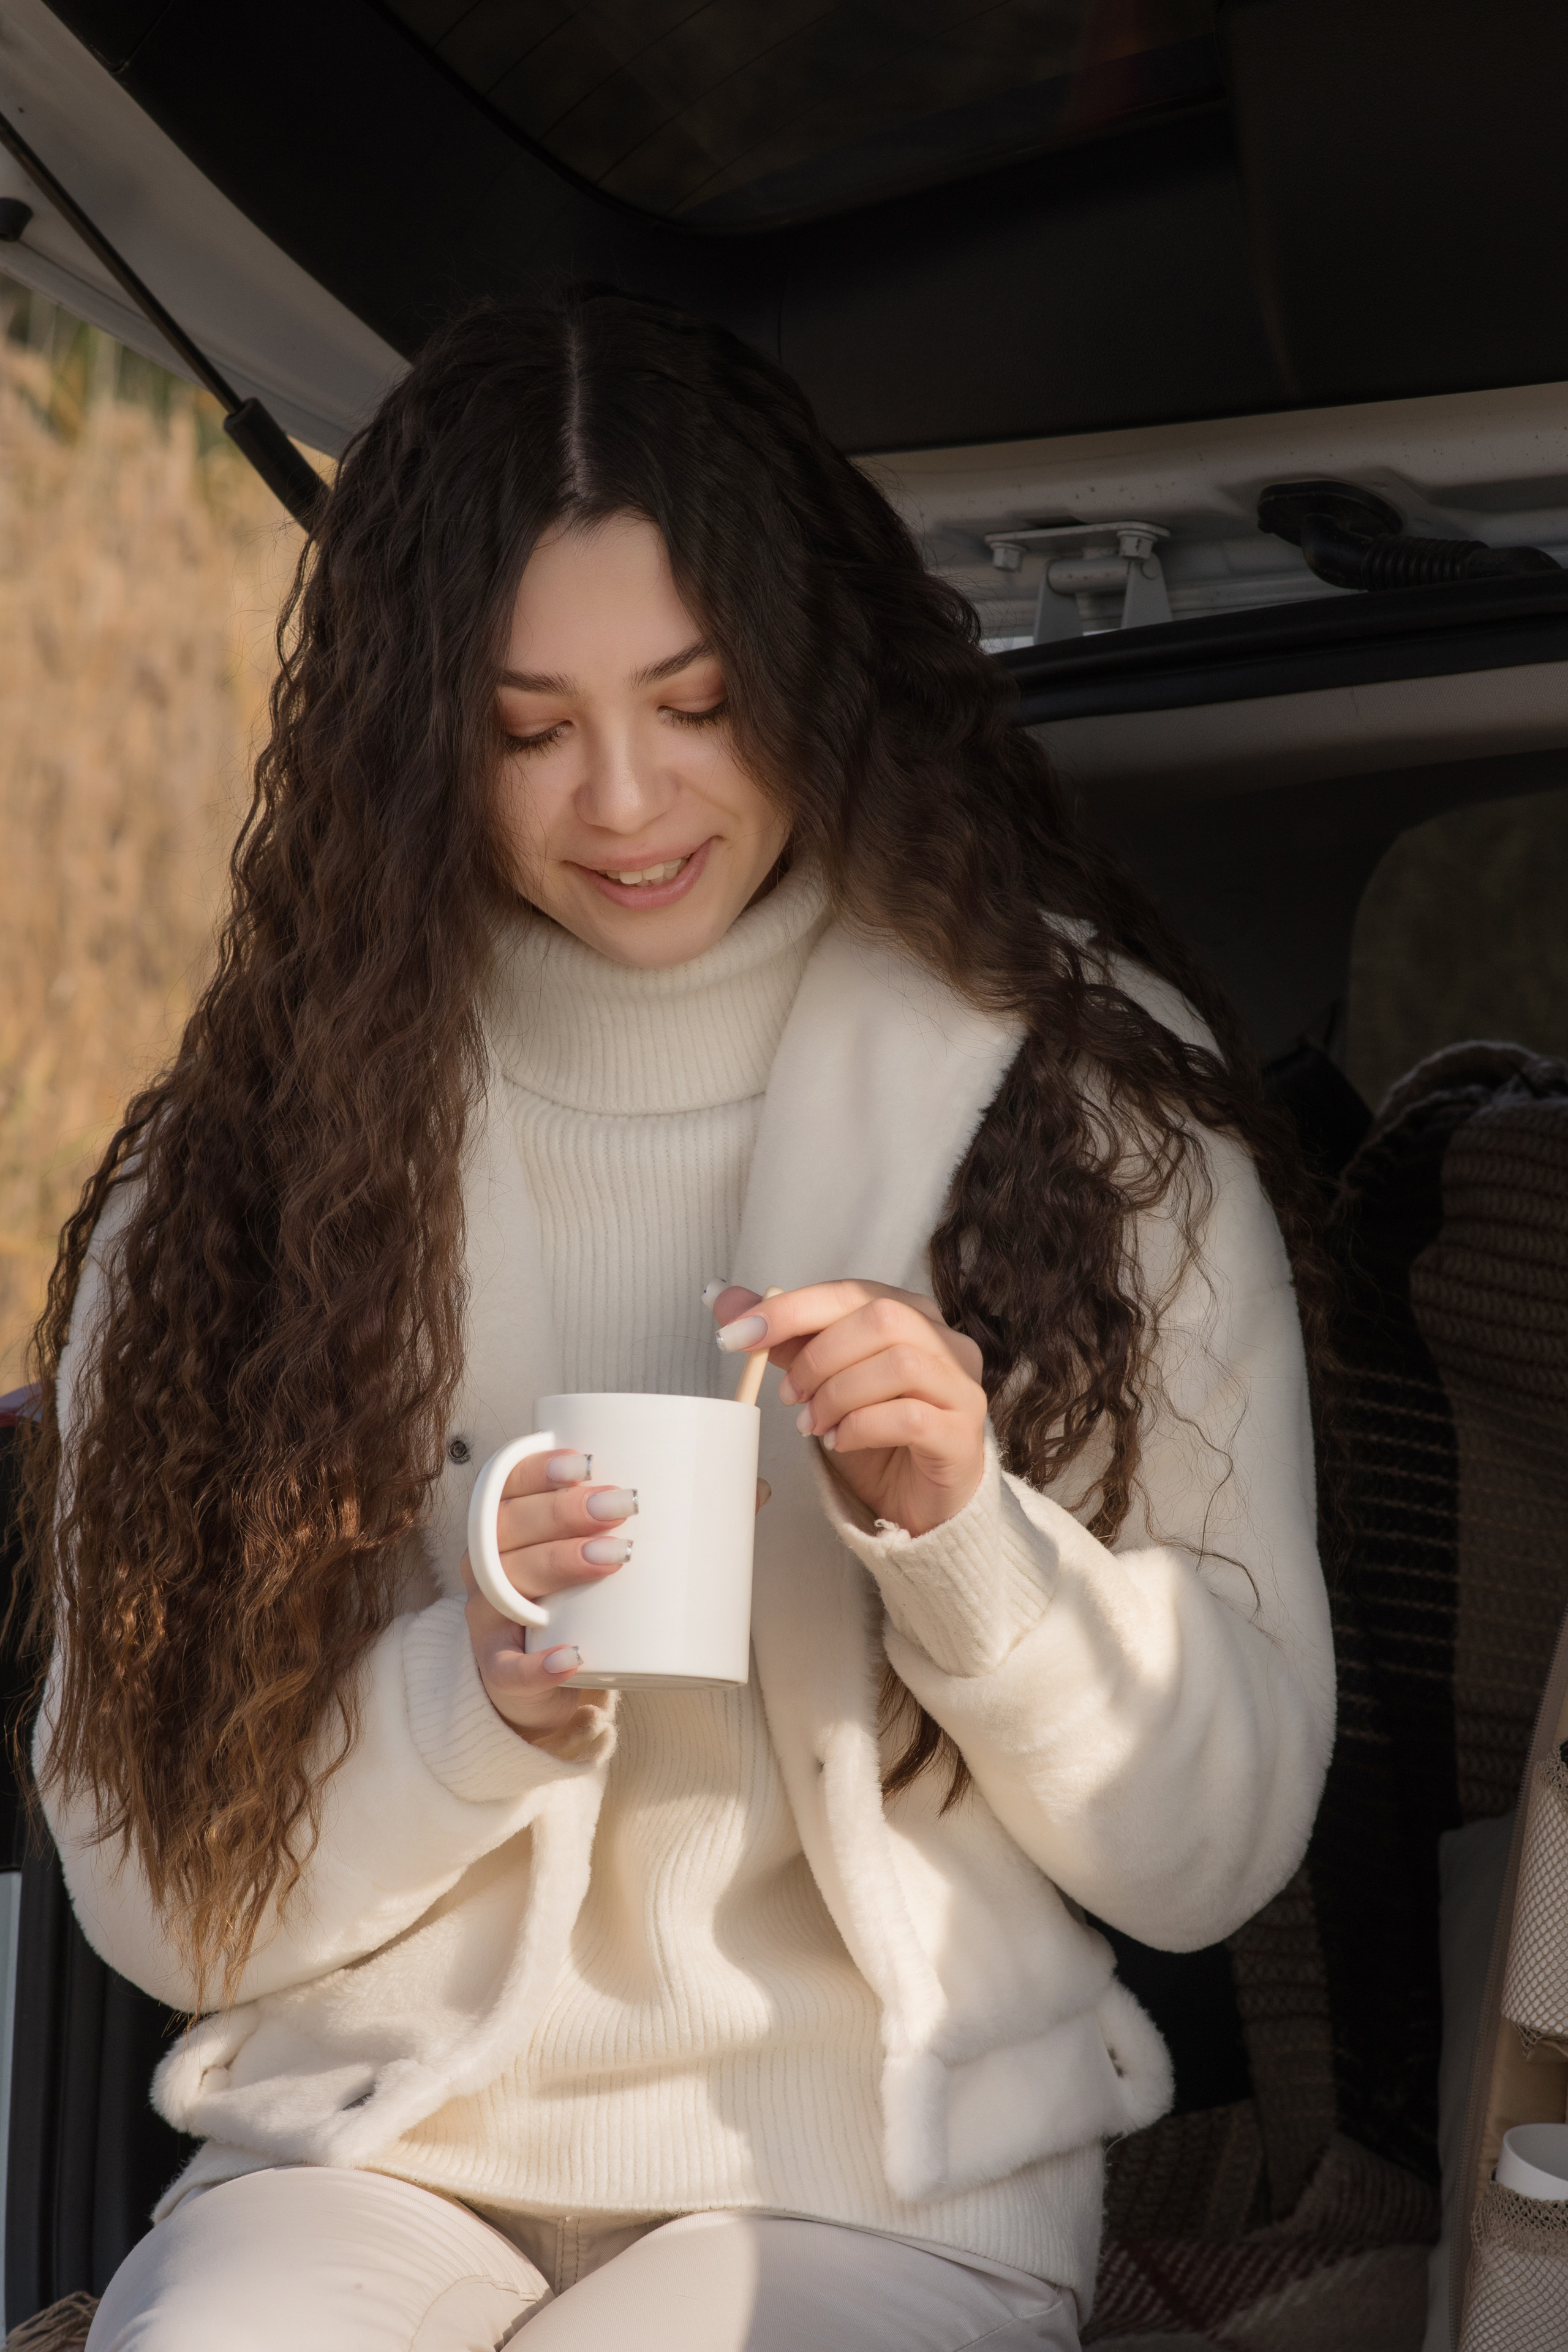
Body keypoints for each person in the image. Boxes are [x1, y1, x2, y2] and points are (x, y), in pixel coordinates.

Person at [24, 287, 1334, 2351]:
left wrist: (963, 1539)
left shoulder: (1080, 1097)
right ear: (405, 730)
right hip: (361, 2152)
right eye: (526, 730)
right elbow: (157, 1891)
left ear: (814, 668)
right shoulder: (246, 1161)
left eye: (701, 701)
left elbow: (1220, 1847)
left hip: (884, 2184)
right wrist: (480, 1695)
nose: (625, 803)